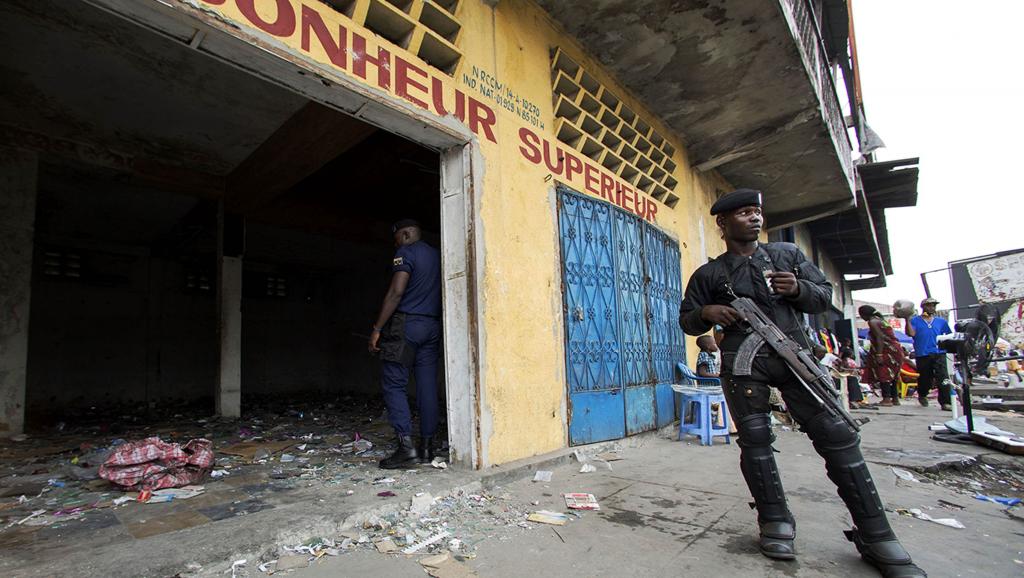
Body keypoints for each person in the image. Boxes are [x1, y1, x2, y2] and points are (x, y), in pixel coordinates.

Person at [679, 189, 924, 576]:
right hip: (744, 367)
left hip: (795, 359)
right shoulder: (710, 274)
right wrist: (707, 311)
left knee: (838, 437)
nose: (755, 219)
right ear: (723, 223)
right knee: (756, 443)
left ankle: (877, 534)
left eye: (757, 212)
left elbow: (823, 297)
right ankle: (774, 521)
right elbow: (689, 319)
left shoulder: (787, 257)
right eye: (744, 213)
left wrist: (798, 289)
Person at [368, 220, 442, 469]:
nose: (396, 244)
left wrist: (377, 328)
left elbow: (396, 292)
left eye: (397, 237)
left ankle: (406, 448)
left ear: (408, 234)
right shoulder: (437, 255)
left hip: (407, 325)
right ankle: (427, 449)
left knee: (394, 381)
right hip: (432, 327)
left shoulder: (406, 253)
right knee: (427, 386)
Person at [901, 298, 952, 410]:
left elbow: (948, 335)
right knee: (925, 378)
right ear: (923, 307)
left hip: (939, 353)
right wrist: (907, 320)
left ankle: (945, 402)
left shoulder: (941, 321)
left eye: (933, 305)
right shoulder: (915, 320)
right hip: (923, 354)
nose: (932, 308)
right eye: (929, 305)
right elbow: (911, 333)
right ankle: (922, 394)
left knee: (943, 377)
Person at [859, 305, 905, 407]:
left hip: (887, 350)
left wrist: (879, 354)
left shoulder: (873, 322)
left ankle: (887, 399)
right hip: (896, 349)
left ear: (864, 314)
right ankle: (895, 399)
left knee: (884, 373)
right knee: (893, 375)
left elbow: (879, 337)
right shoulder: (881, 320)